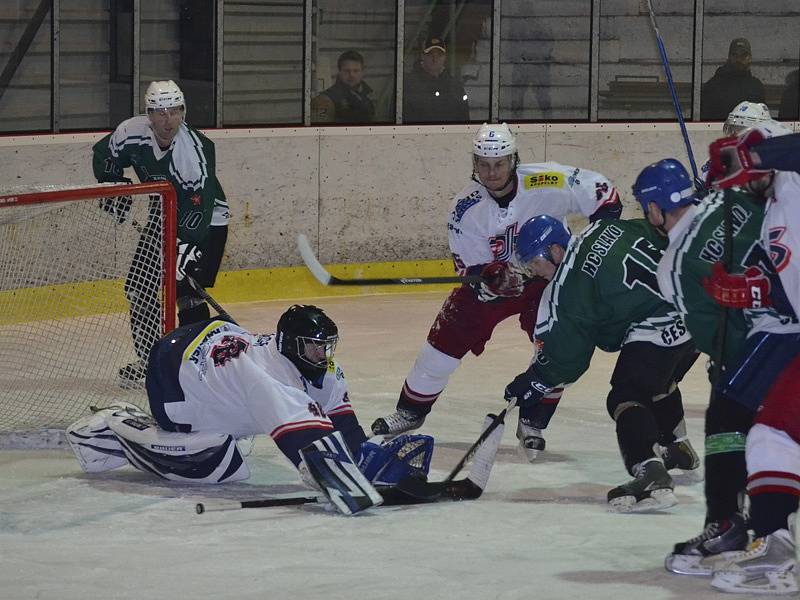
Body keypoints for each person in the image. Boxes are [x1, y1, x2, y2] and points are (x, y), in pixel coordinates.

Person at [371, 122, 623, 463]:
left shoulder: (546, 181)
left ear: (514, 160)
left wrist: (594, 245)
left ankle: (534, 420)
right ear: (474, 163)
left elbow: (604, 194)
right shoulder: (465, 207)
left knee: (559, 343)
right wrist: (491, 277)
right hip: (498, 283)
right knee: (443, 342)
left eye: (499, 163)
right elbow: (469, 268)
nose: (491, 172)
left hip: (548, 275)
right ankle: (411, 411)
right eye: (484, 164)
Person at [65, 305, 436, 515]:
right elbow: (324, 466)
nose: (322, 356)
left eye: (326, 346)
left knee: (232, 445)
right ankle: (113, 427)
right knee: (217, 465)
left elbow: (345, 432)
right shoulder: (270, 383)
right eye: (314, 347)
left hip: (210, 338)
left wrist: (372, 456)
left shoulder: (317, 366)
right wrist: (385, 474)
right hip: (172, 375)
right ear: (292, 346)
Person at [635, 145, 788, 575]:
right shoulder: (730, 198)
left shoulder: (674, 265)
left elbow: (714, 335)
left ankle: (731, 526)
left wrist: (730, 374)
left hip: (773, 342)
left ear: (652, 210)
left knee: (729, 417)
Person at [503, 211, 701, 512]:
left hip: (659, 324)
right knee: (658, 377)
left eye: (535, 262)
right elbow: (662, 233)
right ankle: (677, 446)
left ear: (556, 250)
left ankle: (649, 474)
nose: (534, 272)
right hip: (697, 310)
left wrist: (537, 378)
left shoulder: (567, 287)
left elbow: (571, 359)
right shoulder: (604, 227)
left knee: (626, 396)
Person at [700, 128, 800, 594]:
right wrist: (748, 289)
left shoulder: (793, 180)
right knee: (772, 433)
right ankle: (773, 542)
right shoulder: (771, 212)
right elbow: (778, 283)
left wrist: (754, 152)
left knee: (772, 433)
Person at [92, 80, 231, 387]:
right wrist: (115, 185)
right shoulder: (131, 132)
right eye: (159, 112)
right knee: (139, 287)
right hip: (163, 215)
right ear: (148, 114)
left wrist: (186, 246)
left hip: (207, 222)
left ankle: (198, 367)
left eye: (174, 111)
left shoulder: (193, 152)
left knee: (186, 293)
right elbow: (105, 154)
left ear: (183, 112)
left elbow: (201, 206)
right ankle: (151, 362)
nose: (167, 120)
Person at [403, 35, 470, 123]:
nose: (435, 59)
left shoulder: (454, 85)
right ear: (422, 56)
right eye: (430, 54)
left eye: (439, 55)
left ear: (445, 57)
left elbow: (464, 116)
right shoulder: (408, 84)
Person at [701, 38, 766, 121]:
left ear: (750, 58)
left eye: (744, 55)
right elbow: (706, 121)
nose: (739, 59)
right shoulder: (713, 86)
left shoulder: (756, 87)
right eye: (735, 55)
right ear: (729, 57)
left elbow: (763, 119)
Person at [311, 50, 376, 124]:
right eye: (346, 71)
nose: (352, 75)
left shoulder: (370, 95)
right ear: (339, 72)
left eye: (356, 71)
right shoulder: (324, 100)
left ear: (362, 72)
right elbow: (319, 131)